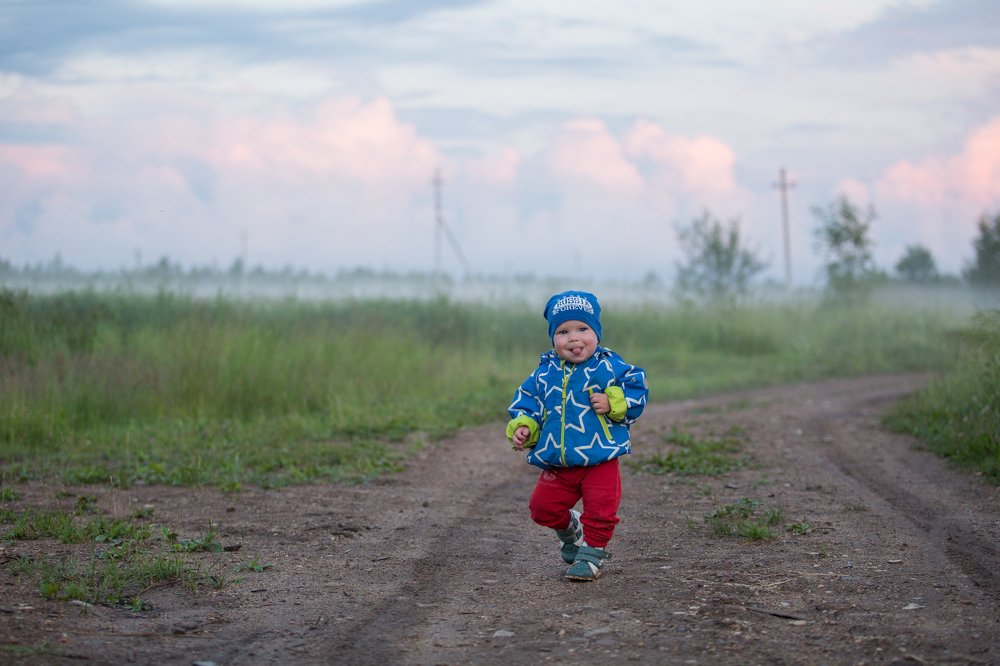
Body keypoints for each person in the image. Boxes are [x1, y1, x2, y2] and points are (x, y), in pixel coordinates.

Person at [506, 290, 648, 581]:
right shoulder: (544, 373)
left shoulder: (609, 366)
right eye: (563, 331)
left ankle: (592, 553)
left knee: (600, 509)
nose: (573, 338)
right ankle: (570, 528)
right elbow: (527, 401)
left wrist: (614, 403)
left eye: (583, 329)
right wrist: (525, 426)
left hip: (600, 457)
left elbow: (638, 388)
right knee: (541, 508)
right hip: (559, 461)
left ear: (596, 333)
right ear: (552, 338)